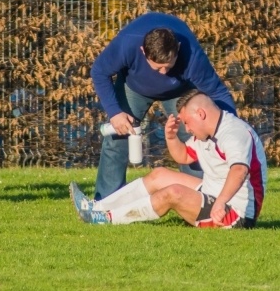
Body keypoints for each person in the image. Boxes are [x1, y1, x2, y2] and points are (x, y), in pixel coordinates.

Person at [90, 12, 236, 200]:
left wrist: (231, 128)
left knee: (195, 140)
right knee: (117, 139)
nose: (164, 72)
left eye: (169, 65)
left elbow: (218, 92)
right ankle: (105, 204)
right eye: (158, 67)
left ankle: (199, 202)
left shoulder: (192, 55)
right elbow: (99, 71)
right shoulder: (128, 44)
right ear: (143, 51)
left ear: (179, 49)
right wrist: (115, 112)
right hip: (133, 87)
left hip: (179, 92)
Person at [69, 89, 267, 228]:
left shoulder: (233, 133)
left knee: (173, 192)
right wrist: (171, 138)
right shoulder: (207, 132)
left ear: (201, 113)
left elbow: (239, 170)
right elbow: (183, 156)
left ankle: (105, 218)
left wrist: (220, 202)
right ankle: (97, 207)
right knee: (159, 175)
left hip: (234, 214)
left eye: (188, 123)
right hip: (214, 195)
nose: (187, 129)